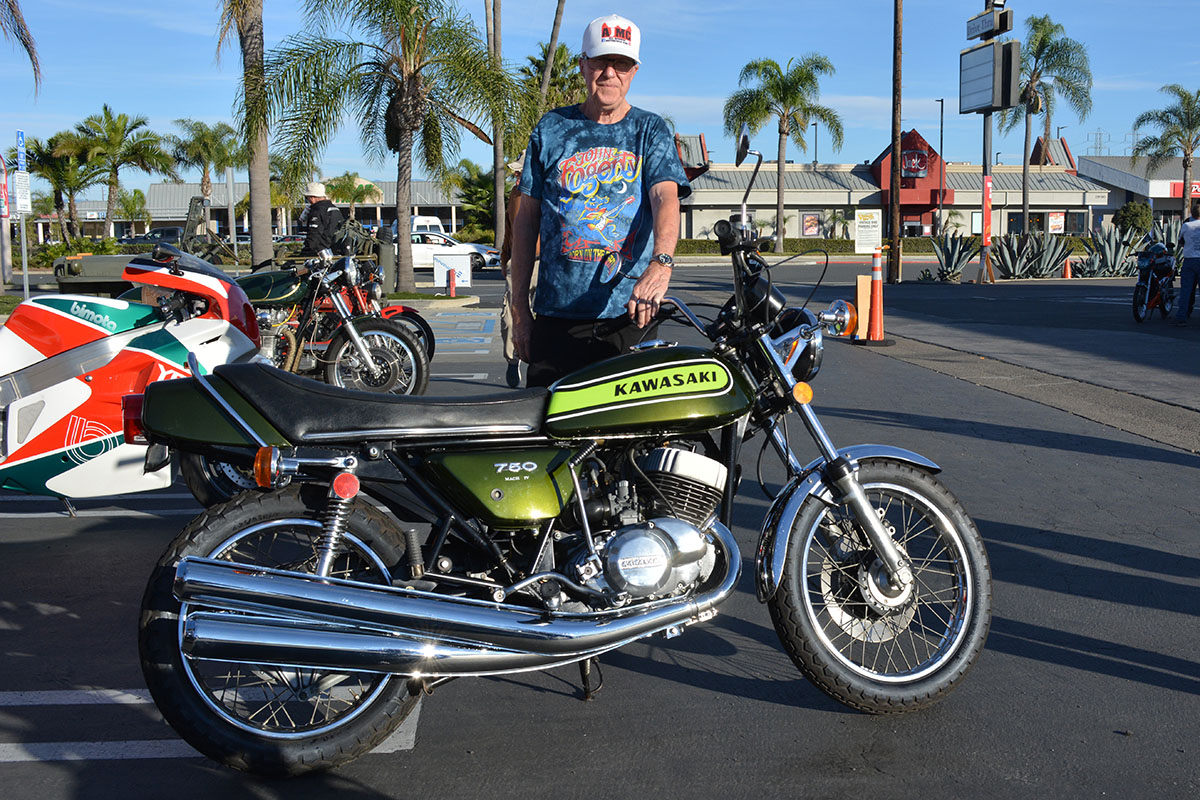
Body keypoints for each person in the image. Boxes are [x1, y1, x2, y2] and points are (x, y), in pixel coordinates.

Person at [508, 13, 691, 387]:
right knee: (549, 418)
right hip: (556, 318)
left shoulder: (649, 130)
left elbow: (665, 196)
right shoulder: (551, 129)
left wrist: (661, 264)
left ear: (634, 71)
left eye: (621, 64)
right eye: (600, 62)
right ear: (583, 65)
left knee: (631, 422)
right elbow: (526, 220)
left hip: (630, 316)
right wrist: (520, 311)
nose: (610, 73)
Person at [499, 150, 540, 388]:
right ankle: (512, 360)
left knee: (543, 315)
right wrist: (505, 258)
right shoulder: (514, 195)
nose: (516, 176)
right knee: (509, 314)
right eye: (515, 173)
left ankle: (538, 361)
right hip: (517, 261)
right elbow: (509, 230)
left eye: (520, 172)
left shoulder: (548, 192)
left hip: (544, 262)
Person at [298, 182, 346, 257]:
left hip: (321, 253)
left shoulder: (317, 210)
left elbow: (314, 234)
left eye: (307, 198)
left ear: (312, 198)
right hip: (336, 251)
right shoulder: (335, 208)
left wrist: (305, 252)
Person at [1174, 198, 1200, 326]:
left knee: (1186, 290)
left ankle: (1181, 316)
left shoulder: (1186, 225)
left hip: (1189, 259)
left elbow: (1181, 241)